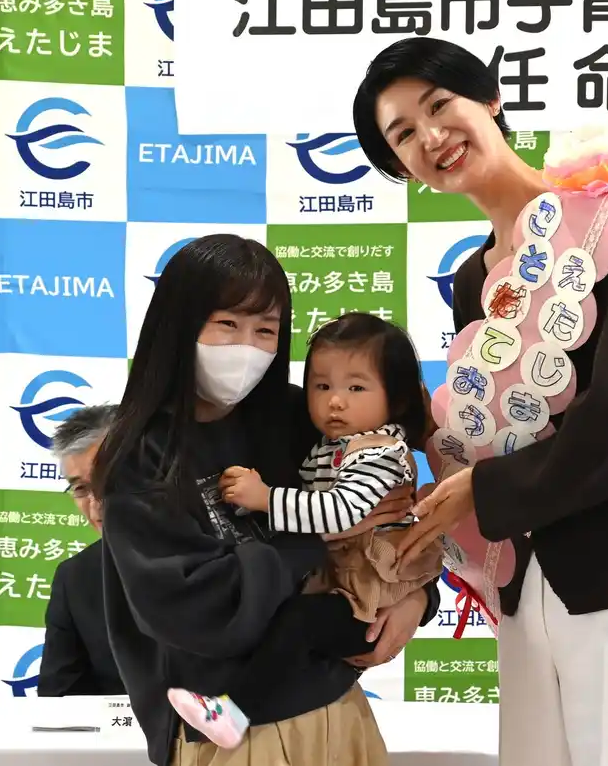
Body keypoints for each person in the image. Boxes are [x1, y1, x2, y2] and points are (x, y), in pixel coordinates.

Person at [352, 37, 608, 766]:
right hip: (526, 580)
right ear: (401, 166)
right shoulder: (475, 279)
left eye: (440, 105)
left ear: (490, 99)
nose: (431, 136)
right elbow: (497, 425)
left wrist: (488, 489)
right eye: (403, 134)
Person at [91, 233, 441, 766]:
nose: (246, 348)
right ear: (179, 324)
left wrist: (418, 600)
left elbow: (391, 522)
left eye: (266, 330)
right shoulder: (142, 460)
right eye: (227, 324)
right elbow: (196, 609)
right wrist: (318, 537)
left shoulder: (305, 419)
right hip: (231, 736)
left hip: (340, 710)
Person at [167, 312, 446, 748]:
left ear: (398, 399)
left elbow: (340, 512)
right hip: (342, 591)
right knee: (289, 625)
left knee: (296, 625)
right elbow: (310, 514)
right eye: (322, 386)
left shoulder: (381, 452)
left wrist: (265, 498)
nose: (336, 401)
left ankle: (232, 715)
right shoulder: (328, 448)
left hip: (366, 601)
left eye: (356, 388)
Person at [38, 403, 126, 698]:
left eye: (106, 483)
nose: (96, 506)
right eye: (80, 489)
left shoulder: (213, 557)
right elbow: (59, 695)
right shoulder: (76, 577)